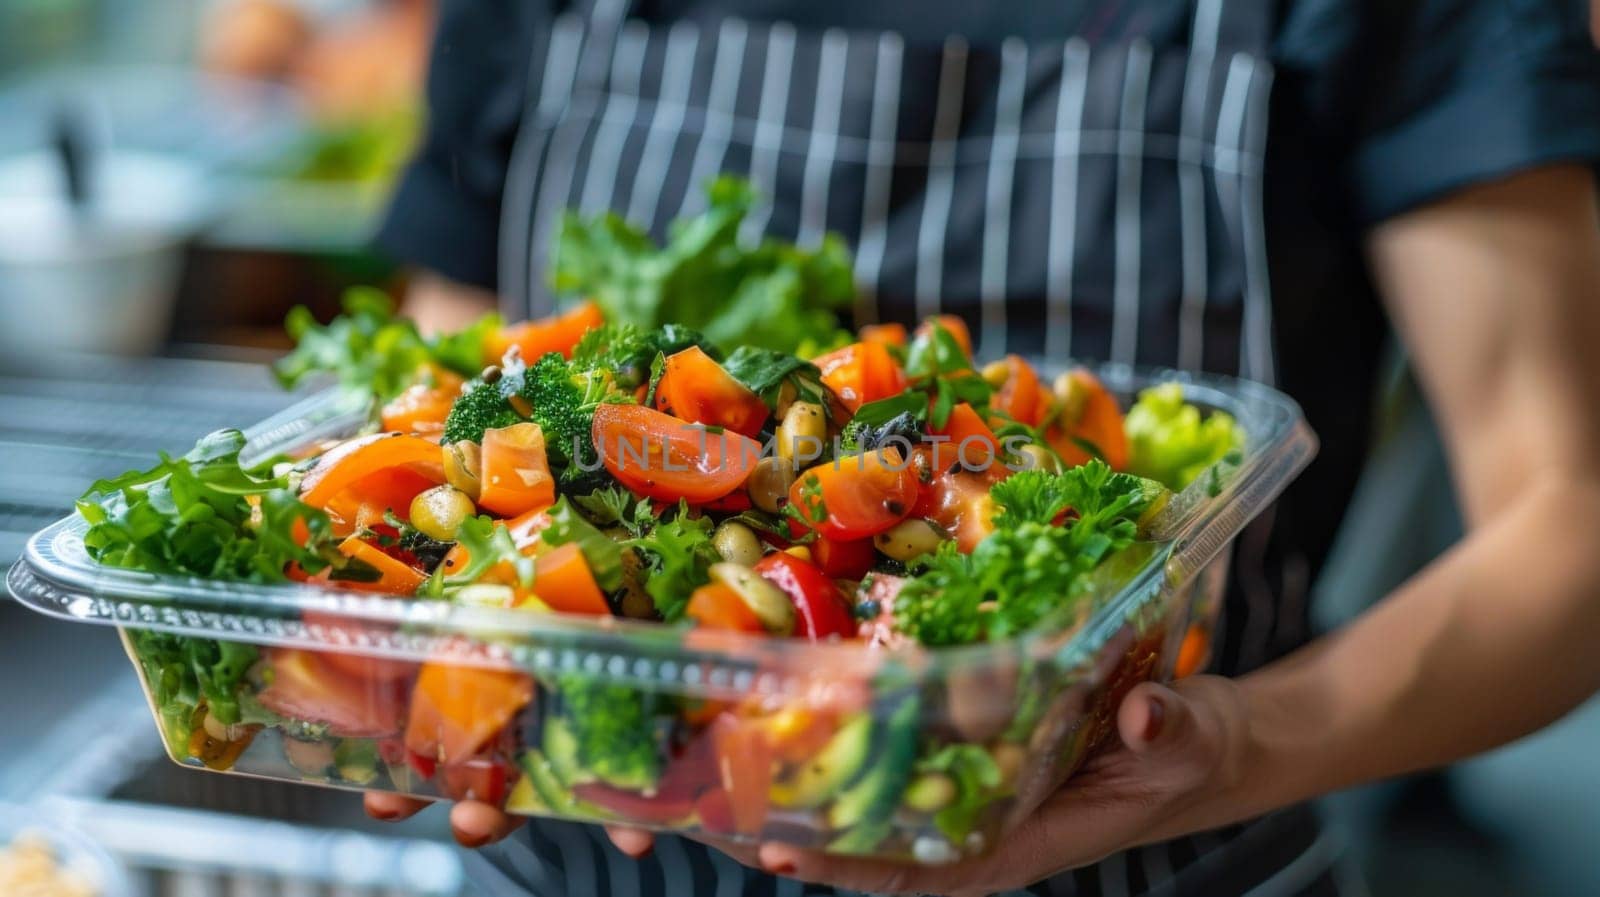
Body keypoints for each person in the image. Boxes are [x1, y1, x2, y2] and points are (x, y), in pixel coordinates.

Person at [363, 1, 1600, 894]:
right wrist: (417, 663)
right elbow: (462, 377)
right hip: (589, 862)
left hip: (1165, 855)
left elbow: (1569, 516)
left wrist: (1232, 746)